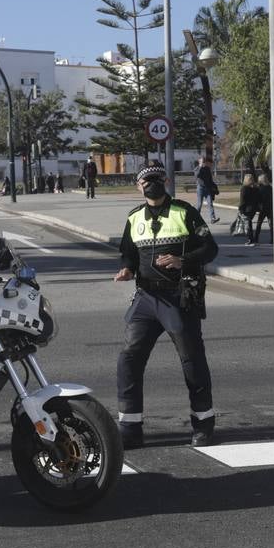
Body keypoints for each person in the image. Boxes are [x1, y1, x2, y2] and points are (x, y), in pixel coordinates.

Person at [113, 163, 220, 449]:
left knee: (192, 361)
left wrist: (182, 260)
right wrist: (126, 269)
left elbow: (210, 249)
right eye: (145, 180)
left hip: (178, 297)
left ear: (167, 180)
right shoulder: (134, 217)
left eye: (156, 179)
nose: (151, 183)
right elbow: (128, 253)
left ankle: (203, 425)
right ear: (138, 186)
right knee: (129, 359)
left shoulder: (184, 212)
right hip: (146, 299)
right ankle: (130, 428)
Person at [194, 156, 220, 224]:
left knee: (210, 203)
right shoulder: (197, 169)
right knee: (199, 204)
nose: (204, 163)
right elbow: (197, 176)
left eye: (204, 161)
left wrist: (214, 187)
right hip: (200, 188)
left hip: (207, 189)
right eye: (202, 161)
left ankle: (213, 218)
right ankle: (195, 218)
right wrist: (200, 167)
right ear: (199, 161)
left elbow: (210, 179)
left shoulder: (207, 169)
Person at [238, 173, 260, 245]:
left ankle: (251, 239)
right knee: (249, 224)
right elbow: (257, 199)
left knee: (248, 225)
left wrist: (240, 209)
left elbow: (242, 200)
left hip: (246, 209)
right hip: (253, 209)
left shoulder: (244, 188)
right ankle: (251, 239)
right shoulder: (256, 188)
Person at [253, 173, 273, 244]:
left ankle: (256, 238)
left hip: (263, 208)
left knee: (259, 223)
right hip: (270, 207)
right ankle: (273, 239)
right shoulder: (270, 187)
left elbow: (258, 198)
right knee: (271, 224)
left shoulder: (260, 188)